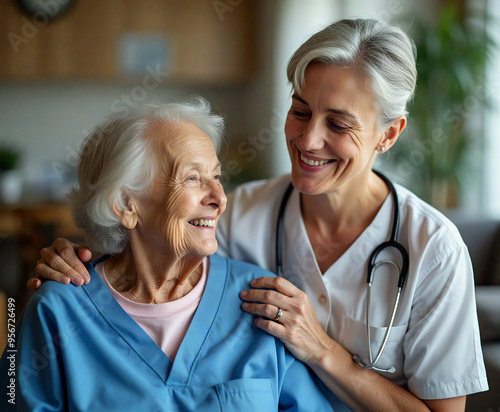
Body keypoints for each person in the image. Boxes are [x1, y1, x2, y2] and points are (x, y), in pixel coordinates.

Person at [29, 19, 488, 411]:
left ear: (388, 135)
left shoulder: (435, 250)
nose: (308, 140)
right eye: (300, 111)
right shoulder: (240, 215)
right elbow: (149, 242)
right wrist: (72, 256)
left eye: (339, 124)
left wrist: (324, 352)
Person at [0, 98, 336, 411]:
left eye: (217, 176)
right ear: (125, 205)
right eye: (192, 178)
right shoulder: (57, 310)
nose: (219, 197)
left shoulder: (263, 302)